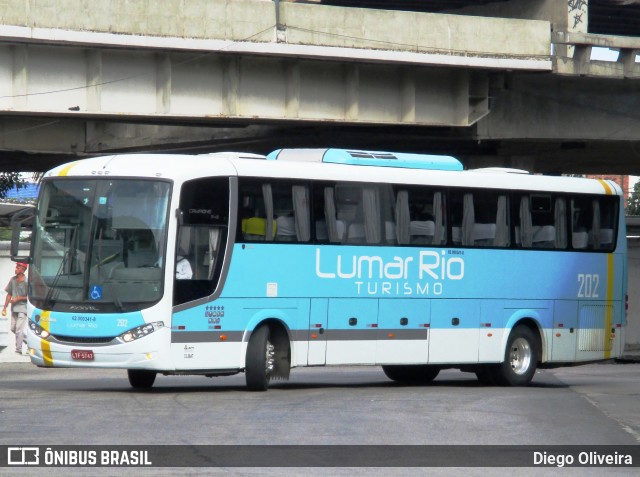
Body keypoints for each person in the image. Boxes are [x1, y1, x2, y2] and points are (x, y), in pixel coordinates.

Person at [2, 262, 29, 354]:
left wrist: (18, 298)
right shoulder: (12, 280)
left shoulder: (27, 282)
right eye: (16, 267)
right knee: (13, 329)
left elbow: (30, 297)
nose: (15, 269)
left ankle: (18, 349)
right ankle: (30, 342)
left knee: (19, 330)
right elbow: (9, 294)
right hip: (14, 309)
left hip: (23, 309)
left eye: (17, 267)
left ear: (22, 270)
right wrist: (5, 307)